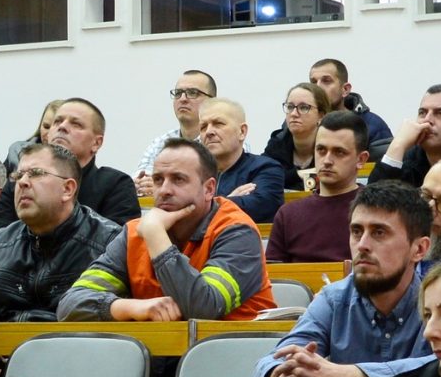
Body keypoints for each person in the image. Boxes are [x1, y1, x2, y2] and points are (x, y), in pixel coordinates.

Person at [61, 139, 274, 322]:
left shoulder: (237, 231)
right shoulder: (134, 233)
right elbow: (69, 305)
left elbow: (203, 309)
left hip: (233, 353)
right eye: (158, 180)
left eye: (178, 179)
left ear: (209, 189)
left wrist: (156, 236)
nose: (164, 190)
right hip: (158, 353)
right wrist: (130, 307)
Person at [257, 182, 436, 377]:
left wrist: (358, 375)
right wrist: (282, 374)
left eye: (379, 233)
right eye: (357, 232)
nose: (362, 245)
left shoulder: (440, 301)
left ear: (419, 249)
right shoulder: (333, 299)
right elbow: (272, 361)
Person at [0, 142, 125, 322]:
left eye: (36, 173)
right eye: (18, 175)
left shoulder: (109, 243)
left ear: (67, 189)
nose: (22, 182)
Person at [265, 110, 368, 263]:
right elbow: (273, 274)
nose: (327, 160)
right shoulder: (288, 215)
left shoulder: (375, 210)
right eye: (321, 150)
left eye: (339, 152)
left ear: (361, 159)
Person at [42, 97, 141, 225]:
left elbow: (118, 236)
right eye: (57, 121)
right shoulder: (25, 180)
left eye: (76, 124)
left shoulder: (115, 185)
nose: (62, 127)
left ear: (96, 143)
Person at [194, 97, 286, 224]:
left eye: (218, 124)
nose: (209, 132)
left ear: (242, 132)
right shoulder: (194, 174)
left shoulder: (265, 168)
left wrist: (213, 205)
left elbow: (261, 206)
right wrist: (229, 201)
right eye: (203, 127)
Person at [370, 85, 441, 189]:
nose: (427, 120)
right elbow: (374, 198)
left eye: (440, 113)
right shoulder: (408, 159)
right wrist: (398, 145)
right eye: (422, 113)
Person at [305, 57, 394, 156]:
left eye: (326, 81)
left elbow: (387, 163)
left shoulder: (371, 124)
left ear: (345, 89)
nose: (318, 87)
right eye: (313, 82)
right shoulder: (301, 121)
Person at [139, 69, 218, 173]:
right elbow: (140, 178)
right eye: (178, 93)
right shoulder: (160, 143)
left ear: (212, 101)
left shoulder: (221, 142)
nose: (183, 99)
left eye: (193, 93)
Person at [262, 81, 334, 190]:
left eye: (304, 107)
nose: (294, 114)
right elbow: (263, 177)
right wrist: (299, 174)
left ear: (321, 115)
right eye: (290, 107)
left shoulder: (332, 145)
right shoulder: (278, 143)